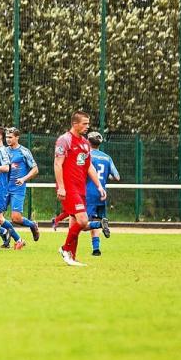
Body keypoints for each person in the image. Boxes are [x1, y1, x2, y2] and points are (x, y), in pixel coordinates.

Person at [55, 111, 109, 266]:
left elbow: (89, 166)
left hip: (81, 189)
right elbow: (58, 164)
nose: (87, 126)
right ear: (75, 124)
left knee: (75, 223)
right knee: (83, 220)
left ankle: (71, 256)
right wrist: (61, 187)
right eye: (84, 123)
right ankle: (65, 249)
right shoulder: (64, 140)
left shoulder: (85, 143)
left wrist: (99, 185)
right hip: (69, 188)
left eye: (88, 123)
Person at [85, 131, 119, 256]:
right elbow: (117, 177)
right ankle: (96, 249)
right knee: (95, 219)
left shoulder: (86, 156)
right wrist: (105, 175)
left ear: (88, 141)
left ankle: (100, 224)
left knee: (82, 224)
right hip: (101, 194)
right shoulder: (107, 157)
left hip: (88, 193)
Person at [5, 128, 40, 249]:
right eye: (7, 137)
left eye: (10, 137)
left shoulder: (24, 152)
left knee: (16, 218)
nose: (8, 139)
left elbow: (35, 169)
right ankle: (13, 240)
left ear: (17, 137)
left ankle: (32, 225)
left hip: (17, 188)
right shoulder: (4, 151)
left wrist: (24, 179)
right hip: (4, 188)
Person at [0, 126, 17, 248]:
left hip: (0, 187)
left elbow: (6, 167)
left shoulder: (1, 150)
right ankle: (6, 241)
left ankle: (18, 239)